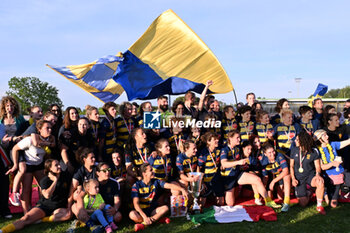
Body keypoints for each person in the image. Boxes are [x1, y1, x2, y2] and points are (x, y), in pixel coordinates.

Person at [0, 159, 72, 233]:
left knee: (68, 215)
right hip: (44, 206)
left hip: (58, 207)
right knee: (26, 218)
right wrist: (55, 180)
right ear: (50, 168)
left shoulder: (66, 176)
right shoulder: (45, 180)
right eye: (56, 165)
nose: (59, 166)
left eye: (59, 164)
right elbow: (47, 195)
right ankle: (3, 230)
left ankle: (43, 219)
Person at [220, 130, 280, 208]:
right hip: (229, 177)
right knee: (230, 203)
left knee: (257, 179)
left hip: (238, 174)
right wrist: (238, 162)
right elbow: (224, 164)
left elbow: (249, 146)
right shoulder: (225, 149)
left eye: (239, 137)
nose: (239, 139)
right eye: (237, 138)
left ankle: (268, 201)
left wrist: (270, 138)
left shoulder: (238, 147)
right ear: (230, 138)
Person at [6, 120, 52, 213]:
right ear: (39, 130)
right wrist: (15, 164)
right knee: (26, 189)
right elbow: (15, 149)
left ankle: (42, 208)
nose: (50, 130)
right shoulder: (30, 140)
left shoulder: (50, 141)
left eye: (51, 128)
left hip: (38, 164)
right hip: (27, 164)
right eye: (47, 128)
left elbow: (46, 155)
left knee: (43, 187)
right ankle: (26, 212)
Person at [129, 163, 188, 231]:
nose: (153, 171)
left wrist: (182, 189)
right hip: (141, 212)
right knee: (132, 214)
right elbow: (135, 204)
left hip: (152, 211)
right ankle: (156, 220)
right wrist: (144, 217)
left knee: (165, 208)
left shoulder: (156, 181)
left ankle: (143, 224)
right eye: (151, 170)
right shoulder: (136, 185)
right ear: (144, 174)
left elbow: (169, 185)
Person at [290, 131, 326, 214]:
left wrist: (317, 175)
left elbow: (317, 166)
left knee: (320, 182)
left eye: (297, 140)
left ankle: (319, 206)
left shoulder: (314, 151)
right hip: (299, 178)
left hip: (310, 175)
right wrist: (293, 178)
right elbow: (291, 166)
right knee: (303, 203)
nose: (295, 141)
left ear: (303, 141)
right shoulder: (294, 150)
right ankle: (310, 192)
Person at [314, 129, 350, 208]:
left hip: (339, 173)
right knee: (331, 203)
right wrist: (332, 164)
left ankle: (342, 190)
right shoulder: (317, 151)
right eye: (324, 135)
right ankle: (328, 193)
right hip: (328, 177)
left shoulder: (333, 144)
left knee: (333, 204)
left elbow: (347, 142)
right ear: (319, 139)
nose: (327, 136)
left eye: (327, 134)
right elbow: (322, 167)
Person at [262, 143, 291, 212]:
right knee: (276, 197)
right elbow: (265, 177)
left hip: (282, 176)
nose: (273, 154)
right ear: (265, 154)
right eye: (269, 152)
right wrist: (264, 190)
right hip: (273, 177)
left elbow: (286, 171)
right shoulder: (263, 161)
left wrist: (273, 181)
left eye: (273, 151)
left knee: (287, 176)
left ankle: (287, 203)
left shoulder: (279, 155)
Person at [197, 132, 224, 206]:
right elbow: (199, 167)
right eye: (214, 139)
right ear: (208, 142)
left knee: (221, 203)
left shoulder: (219, 148)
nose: (217, 141)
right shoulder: (204, 153)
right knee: (201, 204)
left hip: (217, 179)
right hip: (207, 180)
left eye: (217, 139)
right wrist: (201, 183)